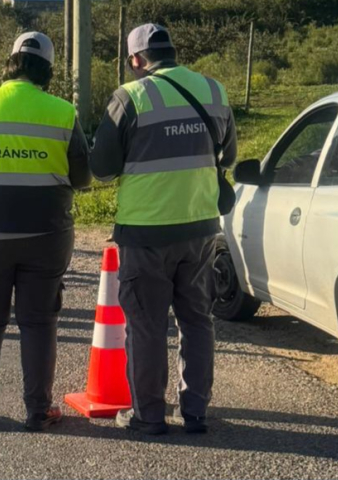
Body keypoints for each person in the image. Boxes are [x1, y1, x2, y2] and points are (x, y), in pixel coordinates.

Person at [90, 23, 237, 436]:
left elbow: (101, 169)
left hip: (145, 231)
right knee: (197, 320)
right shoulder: (214, 91)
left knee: (146, 325)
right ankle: (196, 412)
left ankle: (149, 416)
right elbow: (228, 155)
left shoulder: (130, 96)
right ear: (172, 51)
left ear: (136, 59)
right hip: (200, 229)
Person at [0, 32, 91, 433]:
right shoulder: (63, 112)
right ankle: (38, 410)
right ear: (46, 70)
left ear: (10, 62)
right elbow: (82, 178)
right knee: (39, 322)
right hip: (46, 235)